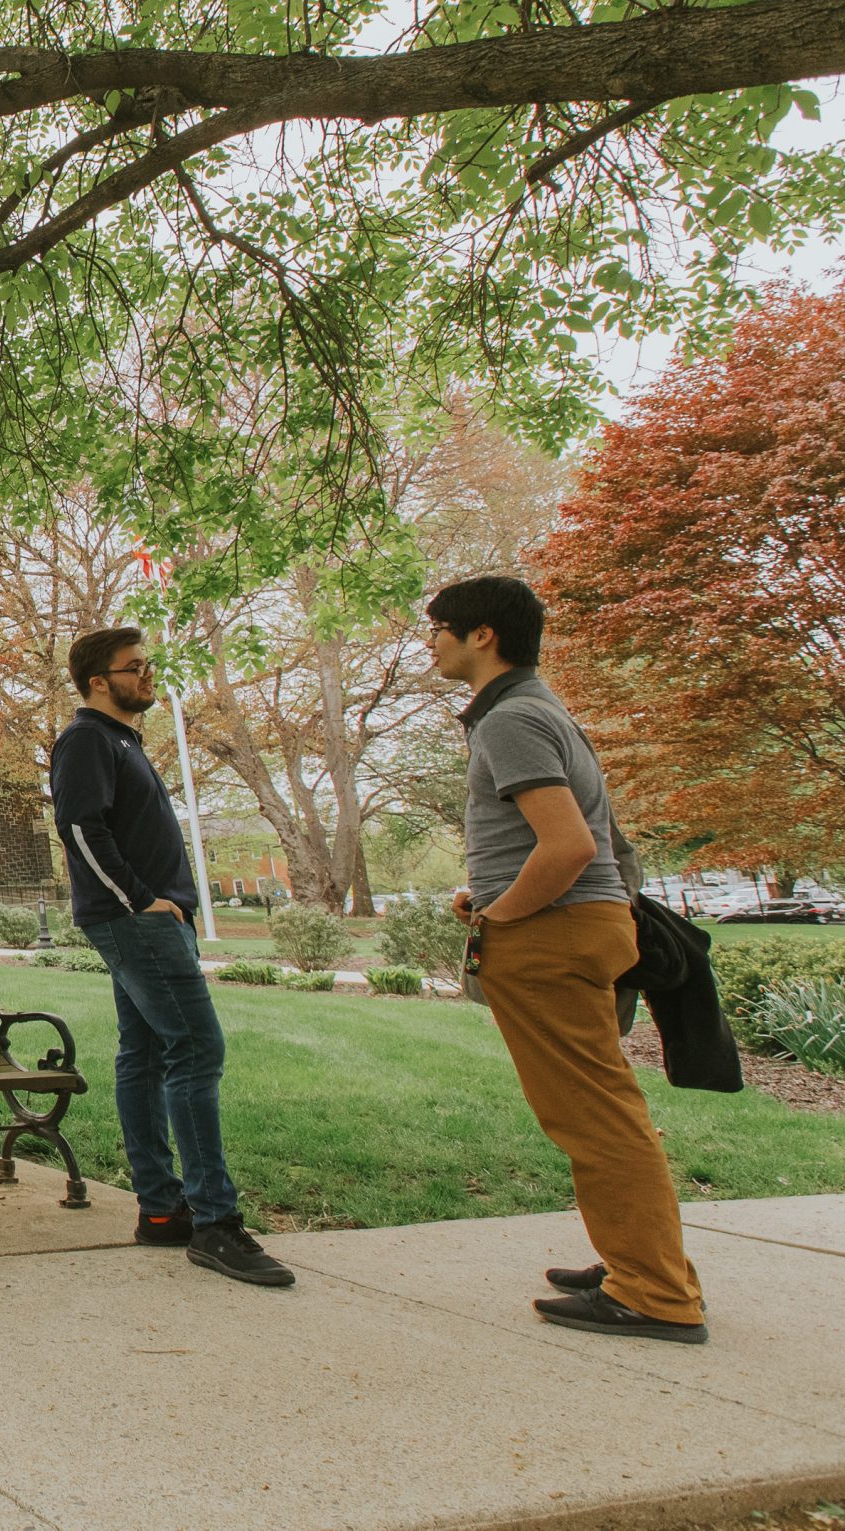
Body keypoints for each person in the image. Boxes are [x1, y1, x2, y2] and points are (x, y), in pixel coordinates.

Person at [426, 576, 708, 1343]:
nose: (432, 640)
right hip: (577, 923)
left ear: (483, 635)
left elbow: (570, 845)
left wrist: (500, 912)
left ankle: (655, 1292)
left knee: (594, 1116)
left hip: (551, 936)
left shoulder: (511, 718)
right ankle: (638, 1263)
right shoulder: (540, 709)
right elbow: (597, 842)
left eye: (439, 626)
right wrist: (489, 891)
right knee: (602, 1109)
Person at [51, 626, 294, 1288]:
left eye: (147, 665)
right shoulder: (86, 739)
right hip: (137, 920)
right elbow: (79, 827)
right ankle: (216, 1222)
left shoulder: (122, 740)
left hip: (149, 918)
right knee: (196, 1049)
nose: (148, 675)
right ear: (99, 681)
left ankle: (161, 1210)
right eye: (135, 667)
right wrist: (139, 899)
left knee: (147, 1053)